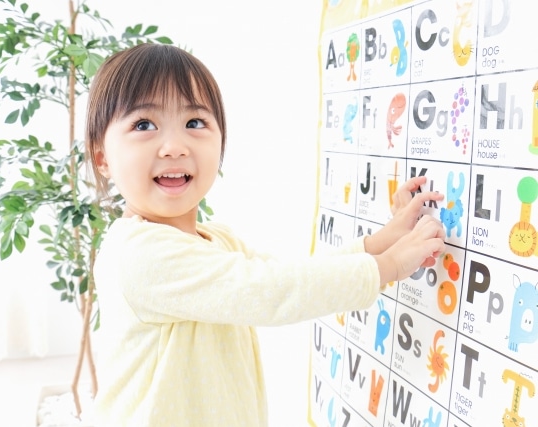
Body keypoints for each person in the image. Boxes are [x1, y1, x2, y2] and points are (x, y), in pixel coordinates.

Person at [85, 43, 445, 427]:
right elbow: (270, 290)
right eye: (144, 125)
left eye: (194, 123)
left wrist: (382, 241)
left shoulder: (216, 239)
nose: (174, 147)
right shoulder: (138, 255)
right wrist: (388, 265)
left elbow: (286, 273)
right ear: (102, 158)